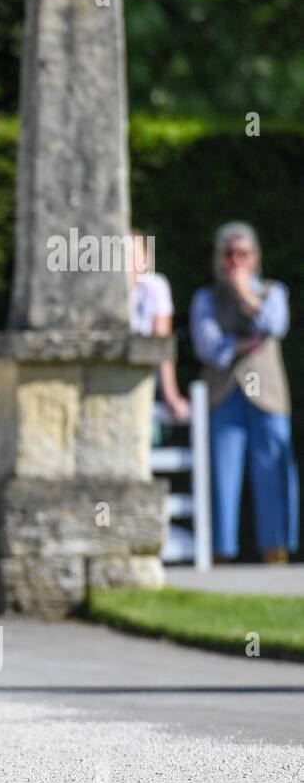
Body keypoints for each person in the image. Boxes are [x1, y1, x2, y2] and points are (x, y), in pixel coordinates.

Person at [190, 221, 297, 564]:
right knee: (222, 475)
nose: (236, 261)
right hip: (224, 394)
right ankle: (220, 551)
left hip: (267, 395)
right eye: (229, 254)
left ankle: (275, 548)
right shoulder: (205, 298)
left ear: (255, 257)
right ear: (219, 259)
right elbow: (209, 348)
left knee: (272, 472)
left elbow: (274, 325)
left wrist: (246, 298)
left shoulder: (273, 291)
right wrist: (244, 343)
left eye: (243, 254)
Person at [128, 230, 190, 431]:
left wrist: (171, 395)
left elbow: (161, 345)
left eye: (132, 254)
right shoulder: (101, 291)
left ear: (146, 258)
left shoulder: (155, 287)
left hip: (145, 380)